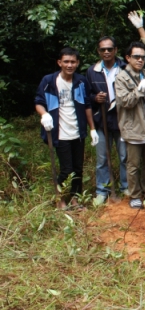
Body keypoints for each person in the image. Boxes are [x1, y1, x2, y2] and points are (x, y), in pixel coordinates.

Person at [35, 48, 99, 209]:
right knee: (66, 170)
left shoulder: (81, 81)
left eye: (73, 62)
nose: (69, 65)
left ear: (77, 63)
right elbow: (39, 102)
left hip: (77, 132)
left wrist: (92, 129)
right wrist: (44, 115)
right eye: (66, 61)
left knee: (78, 169)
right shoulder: (49, 81)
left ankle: (75, 200)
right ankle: (61, 200)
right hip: (59, 132)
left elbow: (87, 105)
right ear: (59, 63)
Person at [115, 42, 145, 209]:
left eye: (143, 57)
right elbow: (124, 101)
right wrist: (139, 90)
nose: (140, 60)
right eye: (136, 57)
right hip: (133, 128)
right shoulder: (121, 77)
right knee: (133, 164)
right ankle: (135, 195)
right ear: (128, 58)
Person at [86, 37, 129, 203]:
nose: (106, 52)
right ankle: (102, 191)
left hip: (122, 120)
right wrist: (95, 98)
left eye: (109, 49)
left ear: (115, 50)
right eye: (103, 49)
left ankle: (125, 187)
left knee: (125, 156)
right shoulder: (92, 71)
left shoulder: (125, 68)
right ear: (98, 51)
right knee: (102, 158)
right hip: (101, 120)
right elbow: (86, 96)